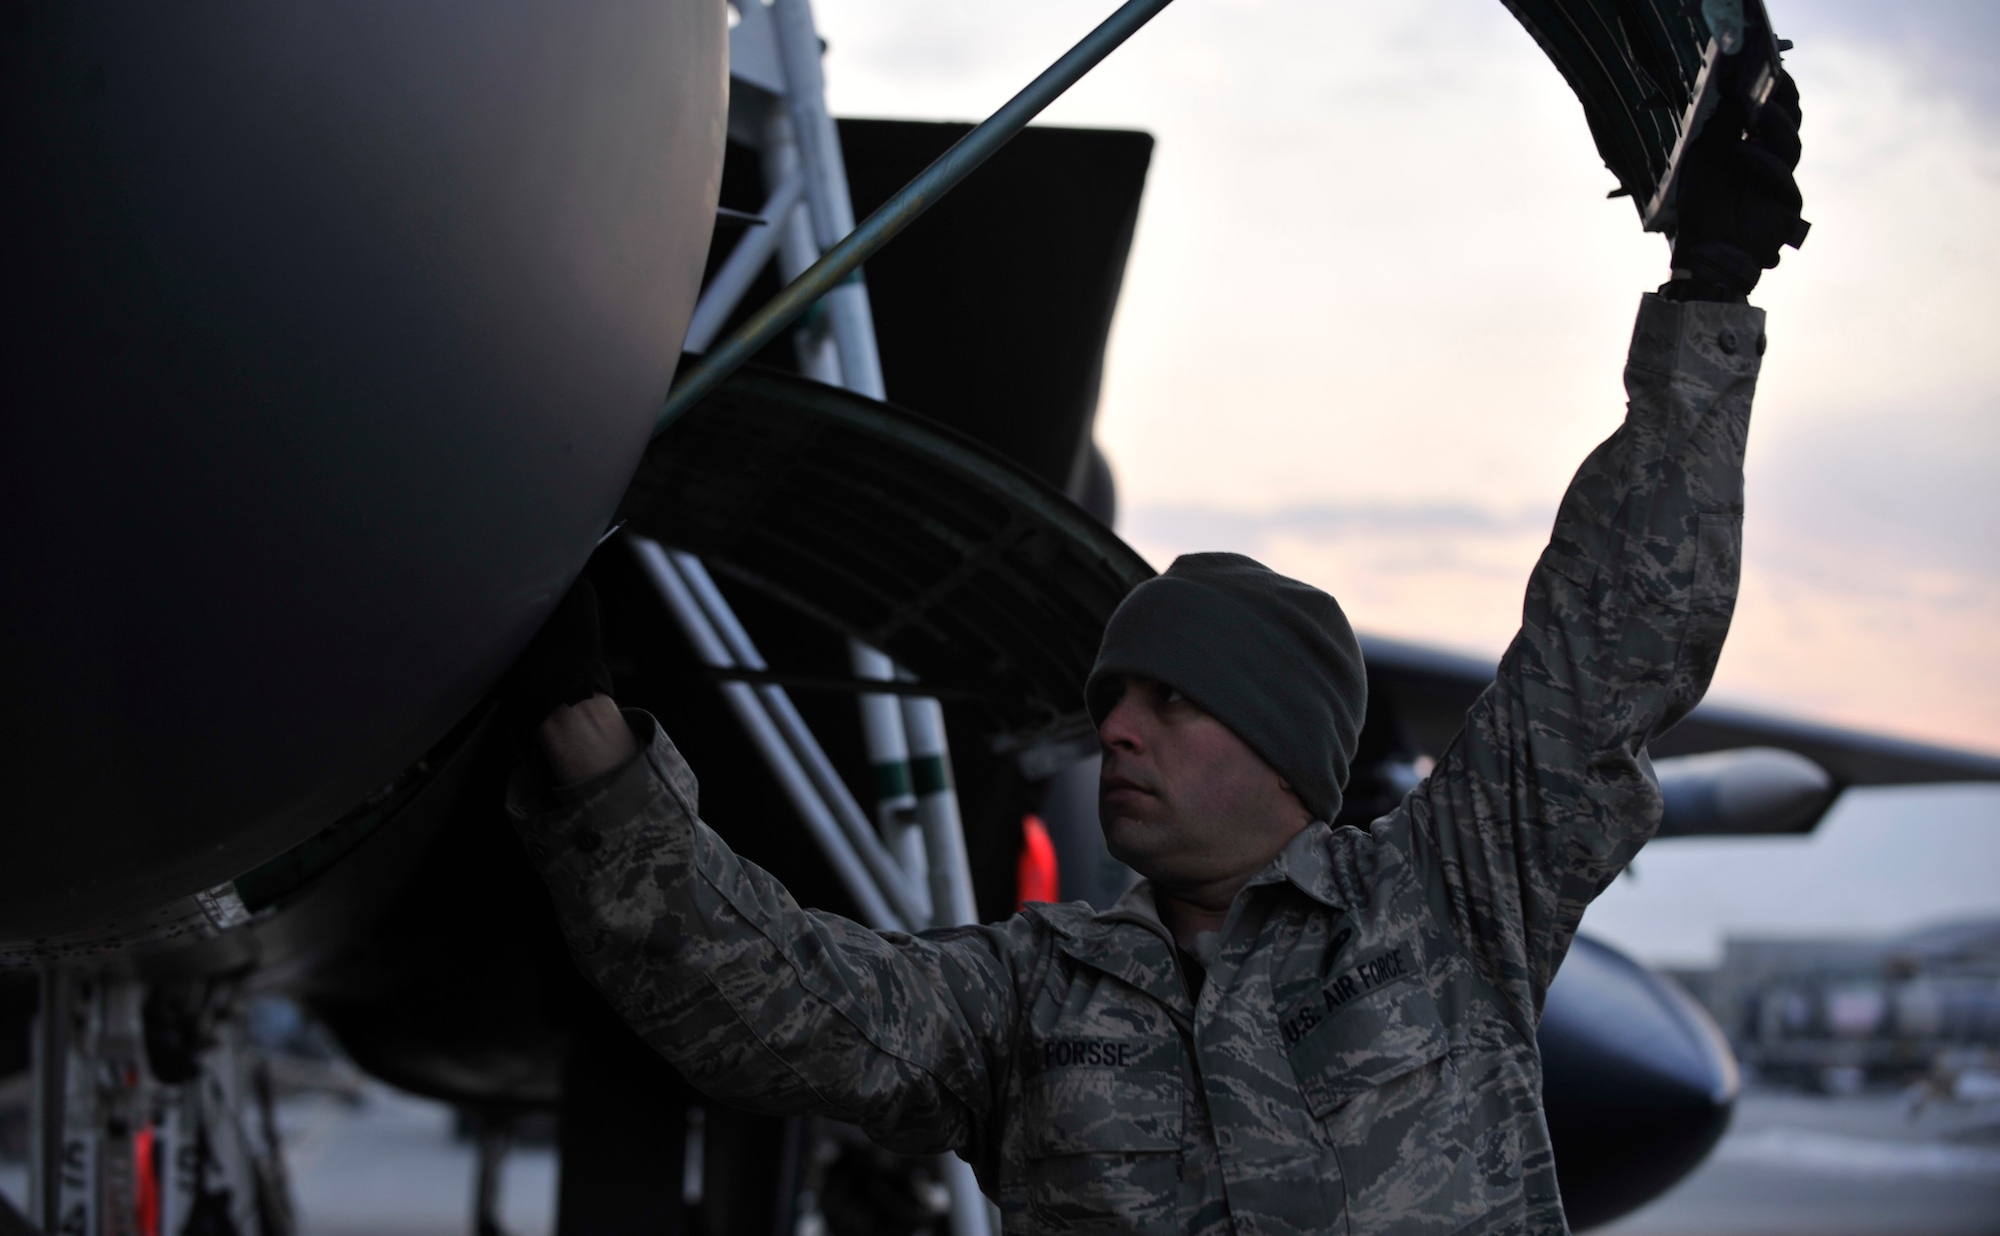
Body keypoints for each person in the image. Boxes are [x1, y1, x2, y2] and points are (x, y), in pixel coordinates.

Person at [507, 76, 1805, 1234]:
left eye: (1172, 701)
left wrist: (1706, 298)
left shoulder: (1448, 906)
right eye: (1112, 697)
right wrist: (585, 740)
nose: (1117, 729)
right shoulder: (1027, 1004)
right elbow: (767, 999)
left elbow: (1611, 639)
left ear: (1287, 746)